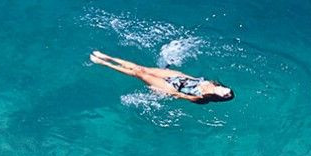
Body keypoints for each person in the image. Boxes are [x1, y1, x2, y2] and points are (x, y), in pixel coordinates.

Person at [89, 51, 235, 103]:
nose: (225, 91)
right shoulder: (213, 83)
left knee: (138, 73)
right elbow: (192, 78)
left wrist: (163, 92)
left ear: (220, 98)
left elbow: (179, 95)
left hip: (171, 86)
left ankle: (104, 63)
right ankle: (106, 57)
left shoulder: (203, 99)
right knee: (142, 68)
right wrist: (177, 73)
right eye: (227, 90)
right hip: (178, 77)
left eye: (225, 94)